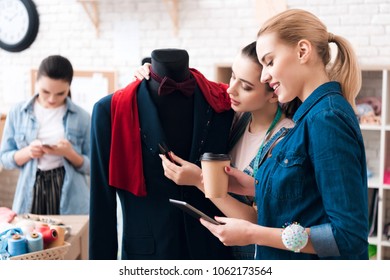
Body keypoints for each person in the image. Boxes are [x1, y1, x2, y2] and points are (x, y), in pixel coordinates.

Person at [199, 9, 369, 260]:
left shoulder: (326, 118)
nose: (265, 75)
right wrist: (256, 185)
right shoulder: (310, 117)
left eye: (269, 61)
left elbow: (347, 237)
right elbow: (309, 192)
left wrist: (254, 234)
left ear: (303, 51)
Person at [134, 42, 300, 260]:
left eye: (246, 86)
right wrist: (149, 70)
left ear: (273, 92)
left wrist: (199, 180)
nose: (231, 89)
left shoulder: (285, 140)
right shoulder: (236, 117)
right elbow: (202, 87)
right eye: (232, 76)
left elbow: (258, 222)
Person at [89, 48, 234, 260]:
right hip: (146, 255)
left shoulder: (222, 103)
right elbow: (101, 203)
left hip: (211, 250)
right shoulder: (110, 110)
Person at [0, 55, 90, 215]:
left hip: (70, 192)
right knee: (30, 236)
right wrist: (28, 152)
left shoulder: (82, 117)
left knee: (69, 238)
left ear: (69, 87)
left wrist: (69, 153)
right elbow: (4, 159)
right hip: (31, 189)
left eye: (60, 93)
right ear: (36, 81)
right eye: (45, 91)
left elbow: (94, 166)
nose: (51, 99)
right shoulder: (18, 112)